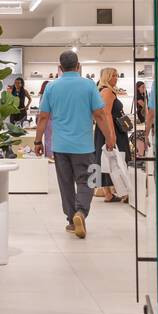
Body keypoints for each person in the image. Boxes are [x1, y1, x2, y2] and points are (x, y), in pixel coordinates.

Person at [34, 50, 116, 239]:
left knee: (65, 183)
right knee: (89, 181)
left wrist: (38, 141)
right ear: (78, 66)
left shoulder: (52, 88)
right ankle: (81, 212)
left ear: (60, 68)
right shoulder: (88, 85)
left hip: (60, 146)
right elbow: (100, 114)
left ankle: (72, 219)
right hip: (84, 145)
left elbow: (43, 117)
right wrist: (109, 136)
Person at [94, 67, 128, 203]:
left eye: (117, 75)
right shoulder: (107, 91)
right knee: (117, 159)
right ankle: (121, 191)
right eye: (113, 75)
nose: (116, 78)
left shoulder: (102, 91)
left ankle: (109, 192)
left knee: (106, 160)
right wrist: (111, 135)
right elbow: (107, 114)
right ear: (107, 77)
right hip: (111, 129)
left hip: (105, 129)